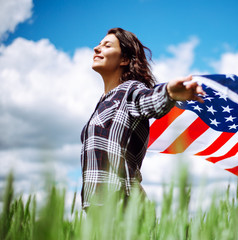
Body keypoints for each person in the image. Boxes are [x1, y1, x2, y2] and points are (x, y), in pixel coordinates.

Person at [80, 27, 205, 210]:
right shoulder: (103, 102)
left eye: (106, 45)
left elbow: (148, 101)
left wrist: (169, 93)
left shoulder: (130, 90)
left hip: (121, 205)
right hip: (96, 206)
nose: (96, 49)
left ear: (124, 59)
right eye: (98, 45)